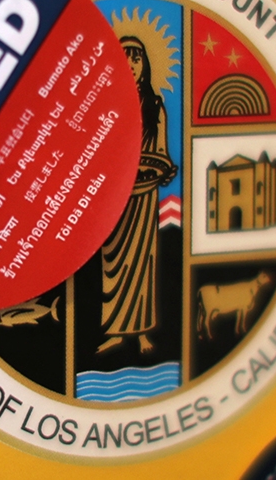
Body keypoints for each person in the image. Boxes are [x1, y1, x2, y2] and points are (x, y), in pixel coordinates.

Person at [97, 36, 177, 354]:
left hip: (145, 194)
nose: (131, 64)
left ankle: (143, 332)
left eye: (136, 58)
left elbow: (162, 152)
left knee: (144, 263)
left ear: (145, 64)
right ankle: (116, 331)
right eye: (125, 57)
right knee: (113, 264)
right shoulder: (104, 104)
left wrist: (164, 168)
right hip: (115, 196)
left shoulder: (155, 106)